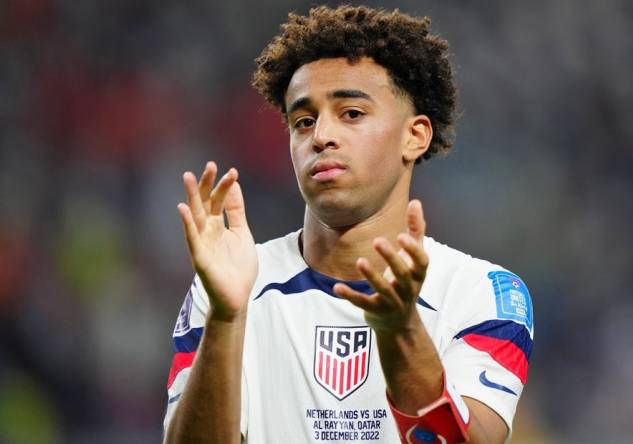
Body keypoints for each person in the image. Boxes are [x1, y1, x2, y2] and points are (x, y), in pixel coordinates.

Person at [162, 5, 533, 443]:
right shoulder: (232, 285)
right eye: (303, 121)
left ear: (415, 136)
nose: (320, 135)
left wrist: (402, 332)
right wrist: (225, 318)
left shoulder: (481, 292)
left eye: (351, 113)